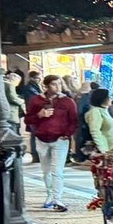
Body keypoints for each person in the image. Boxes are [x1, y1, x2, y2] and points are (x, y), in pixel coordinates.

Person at [25, 75, 78, 211]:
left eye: (59, 84)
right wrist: (39, 115)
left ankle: (58, 200)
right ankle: (49, 196)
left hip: (60, 139)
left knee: (57, 171)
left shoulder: (67, 101)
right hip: (42, 139)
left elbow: (74, 120)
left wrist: (67, 134)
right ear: (46, 86)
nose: (58, 87)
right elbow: (28, 119)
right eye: (54, 84)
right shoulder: (36, 100)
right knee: (46, 171)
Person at [84, 88, 113, 155]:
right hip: (106, 149)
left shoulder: (104, 110)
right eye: (108, 97)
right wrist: (102, 150)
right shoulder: (95, 112)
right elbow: (95, 131)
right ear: (102, 99)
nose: (110, 99)